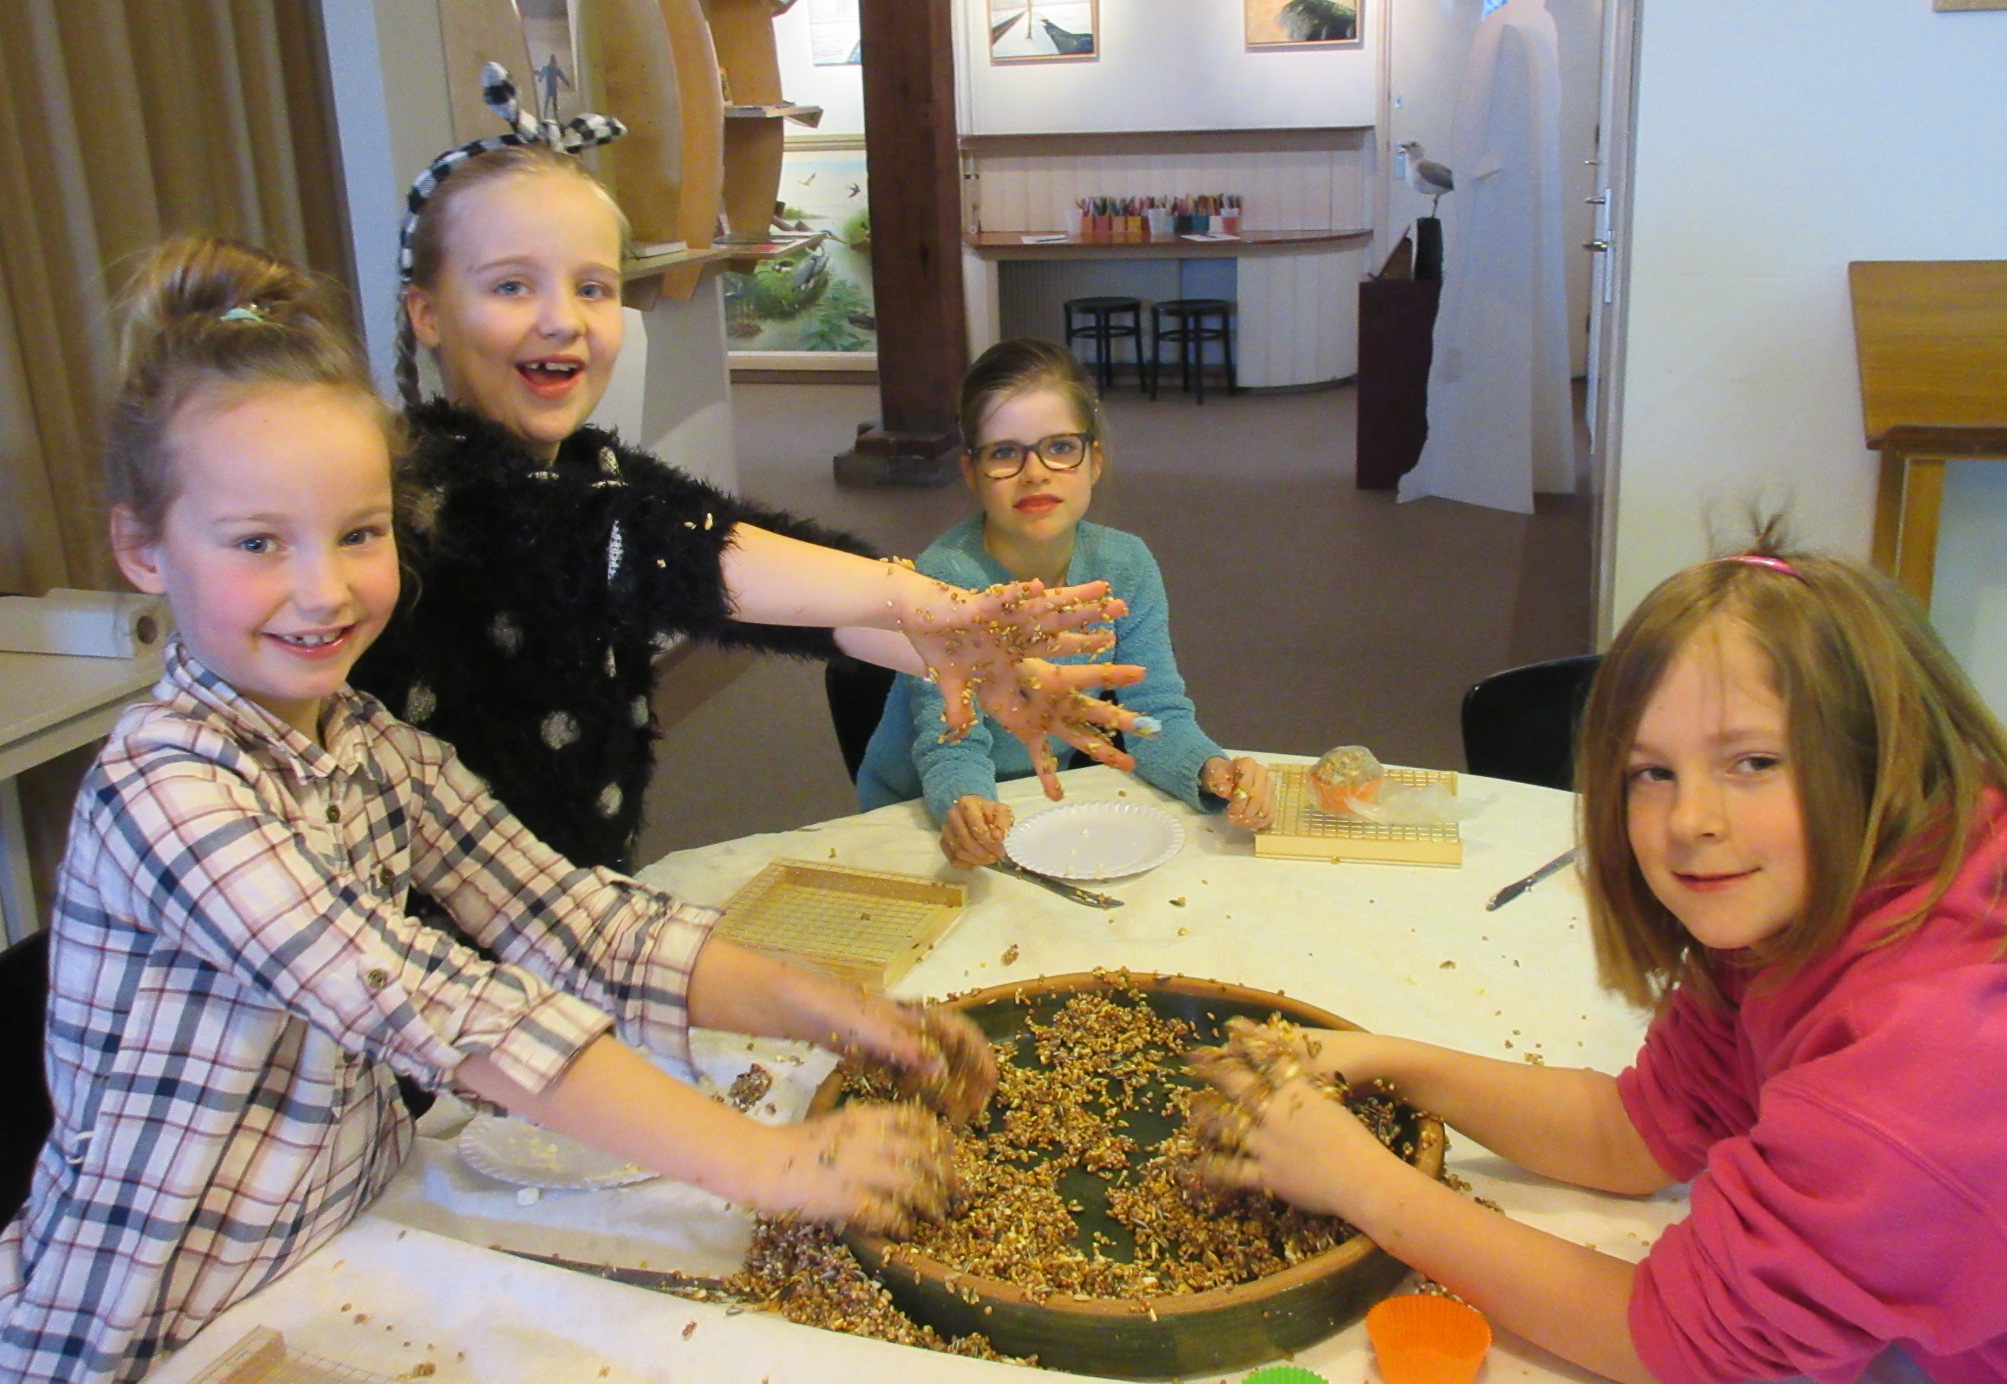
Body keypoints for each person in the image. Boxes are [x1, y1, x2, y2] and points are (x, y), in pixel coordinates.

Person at [0, 237, 994, 1384]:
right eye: (256, 543)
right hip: (153, 1329)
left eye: (358, 534)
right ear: (141, 547)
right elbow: (440, 1008)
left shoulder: (368, 746)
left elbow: (576, 919)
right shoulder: (168, 788)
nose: (322, 589)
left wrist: (827, 1009)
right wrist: (768, 1164)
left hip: (333, 1247)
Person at [1188, 537, 2007, 1383]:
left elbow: (1684, 1348)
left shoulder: (1926, 1067)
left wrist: (1363, 1183)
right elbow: (1638, 1132)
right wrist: (1385, 1061)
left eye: (1753, 762)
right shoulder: (1816, 897)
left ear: (1882, 760)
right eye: (1651, 772)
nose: (1690, 821)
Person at [354, 68, 1145, 874]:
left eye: (591, 286)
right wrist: (926, 599)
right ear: (426, 312)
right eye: (511, 285)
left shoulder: (591, 467)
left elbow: (755, 565)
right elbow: (665, 551)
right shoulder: (428, 492)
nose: (561, 319)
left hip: (576, 898)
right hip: (440, 949)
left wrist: (950, 652)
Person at [856, 340, 1274, 867]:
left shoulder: (1126, 565)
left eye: (1059, 447)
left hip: (1045, 796)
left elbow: (1150, 713)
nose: (1035, 472)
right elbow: (952, 743)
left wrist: (1208, 766)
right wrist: (967, 804)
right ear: (972, 473)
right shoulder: (947, 578)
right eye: (1005, 452)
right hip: (923, 808)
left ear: (1093, 461)